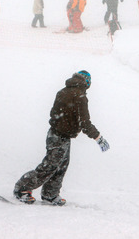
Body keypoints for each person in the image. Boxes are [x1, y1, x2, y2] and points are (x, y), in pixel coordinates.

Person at [13, 70, 110, 205]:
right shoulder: (80, 96)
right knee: (50, 166)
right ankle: (22, 188)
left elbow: (54, 113)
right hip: (59, 136)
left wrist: (63, 125)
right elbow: (85, 124)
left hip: (56, 134)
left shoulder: (63, 91)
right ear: (87, 82)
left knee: (60, 166)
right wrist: (98, 138)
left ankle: (50, 194)